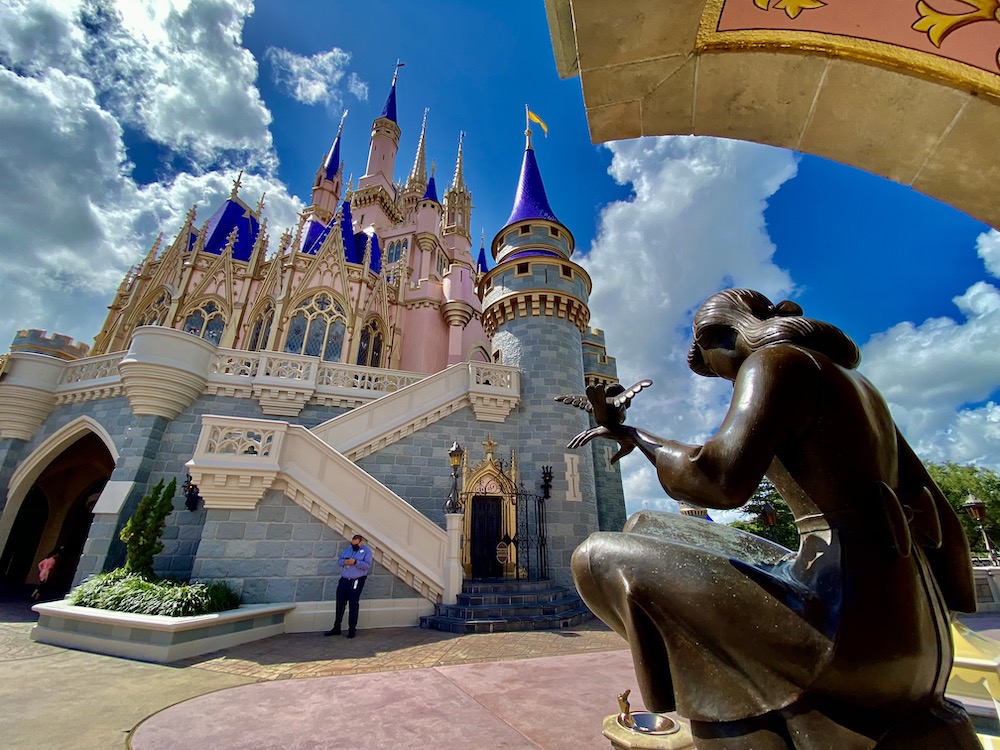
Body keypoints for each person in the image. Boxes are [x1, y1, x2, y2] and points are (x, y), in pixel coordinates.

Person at [567, 289, 979, 749]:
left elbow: (716, 478)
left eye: (714, 364)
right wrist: (944, 615)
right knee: (646, 525)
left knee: (595, 556)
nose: (728, 381)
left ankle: (735, 727)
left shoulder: (775, 363)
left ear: (719, 337)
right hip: (909, 628)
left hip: (847, 629)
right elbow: (938, 511)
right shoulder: (858, 388)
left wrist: (633, 433)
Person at [324, 534, 372, 638]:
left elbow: (367, 566)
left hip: (356, 581)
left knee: (353, 604)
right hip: (344, 580)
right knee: (340, 603)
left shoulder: (367, 551)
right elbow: (340, 561)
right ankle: (336, 627)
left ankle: (352, 629)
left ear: (360, 542)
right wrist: (345, 562)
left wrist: (355, 562)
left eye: (356, 545)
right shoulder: (348, 549)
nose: (353, 546)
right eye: (352, 544)